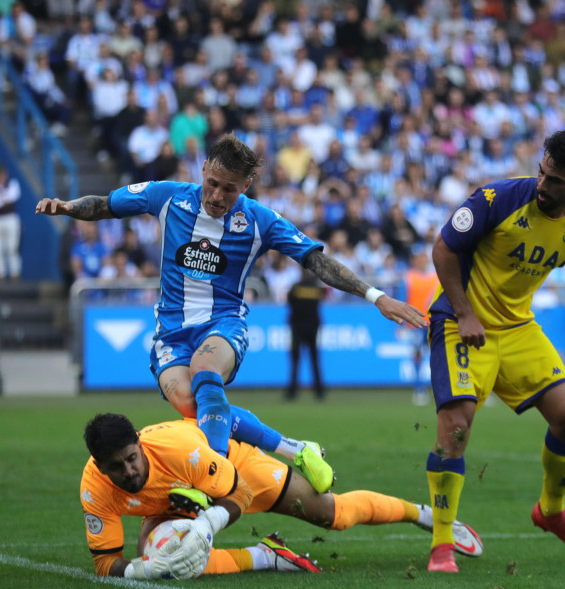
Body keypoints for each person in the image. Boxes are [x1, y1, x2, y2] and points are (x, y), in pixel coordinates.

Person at [37, 133, 426, 487]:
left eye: (230, 189)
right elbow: (104, 205)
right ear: (203, 170)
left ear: (246, 186)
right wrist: (68, 207)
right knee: (196, 409)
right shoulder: (166, 196)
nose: (218, 196)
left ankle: (213, 479)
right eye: (213, 184)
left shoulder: (259, 220)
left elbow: (315, 260)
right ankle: (296, 450)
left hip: (223, 324)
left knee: (206, 374)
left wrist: (376, 296)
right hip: (171, 331)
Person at [424, 130, 565, 573]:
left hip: (518, 328)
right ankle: (443, 544)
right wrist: (465, 312)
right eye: (542, 171)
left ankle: (552, 510)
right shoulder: (496, 199)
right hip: (461, 322)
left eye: (556, 180)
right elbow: (444, 248)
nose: (543, 184)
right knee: (457, 427)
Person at [80, 413, 483, 578]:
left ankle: (423, 514)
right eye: (117, 467)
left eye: (132, 459)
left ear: (139, 444)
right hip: (181, 502)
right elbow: (105, 561)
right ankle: (265, 555)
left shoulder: (181, 449)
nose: (129, 471)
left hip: (241, 472)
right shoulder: (95, 489)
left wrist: (206, 524)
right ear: (100, 465)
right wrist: (140, 570)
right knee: (165, 559)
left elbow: (238, 490)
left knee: (334, 515)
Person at [403, 251, 439, 406]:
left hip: (434, 323)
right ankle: (419, 389)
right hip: (416, 323)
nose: (422, 261)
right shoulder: (409, 277)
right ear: (414, 260)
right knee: (417, 355)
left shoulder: (436, 277)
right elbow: (402, 299)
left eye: (424, 258)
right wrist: (403, 323)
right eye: (419, 258)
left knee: (438, 356)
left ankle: (439, 389)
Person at [285, 267, 325, 400]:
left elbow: (289, 303)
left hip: (297, 326)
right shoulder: (316, 288)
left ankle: (292, 392)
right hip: (312, 327)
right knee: (314, 360)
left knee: (295, 361)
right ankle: (319, 392)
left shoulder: (296, 287)